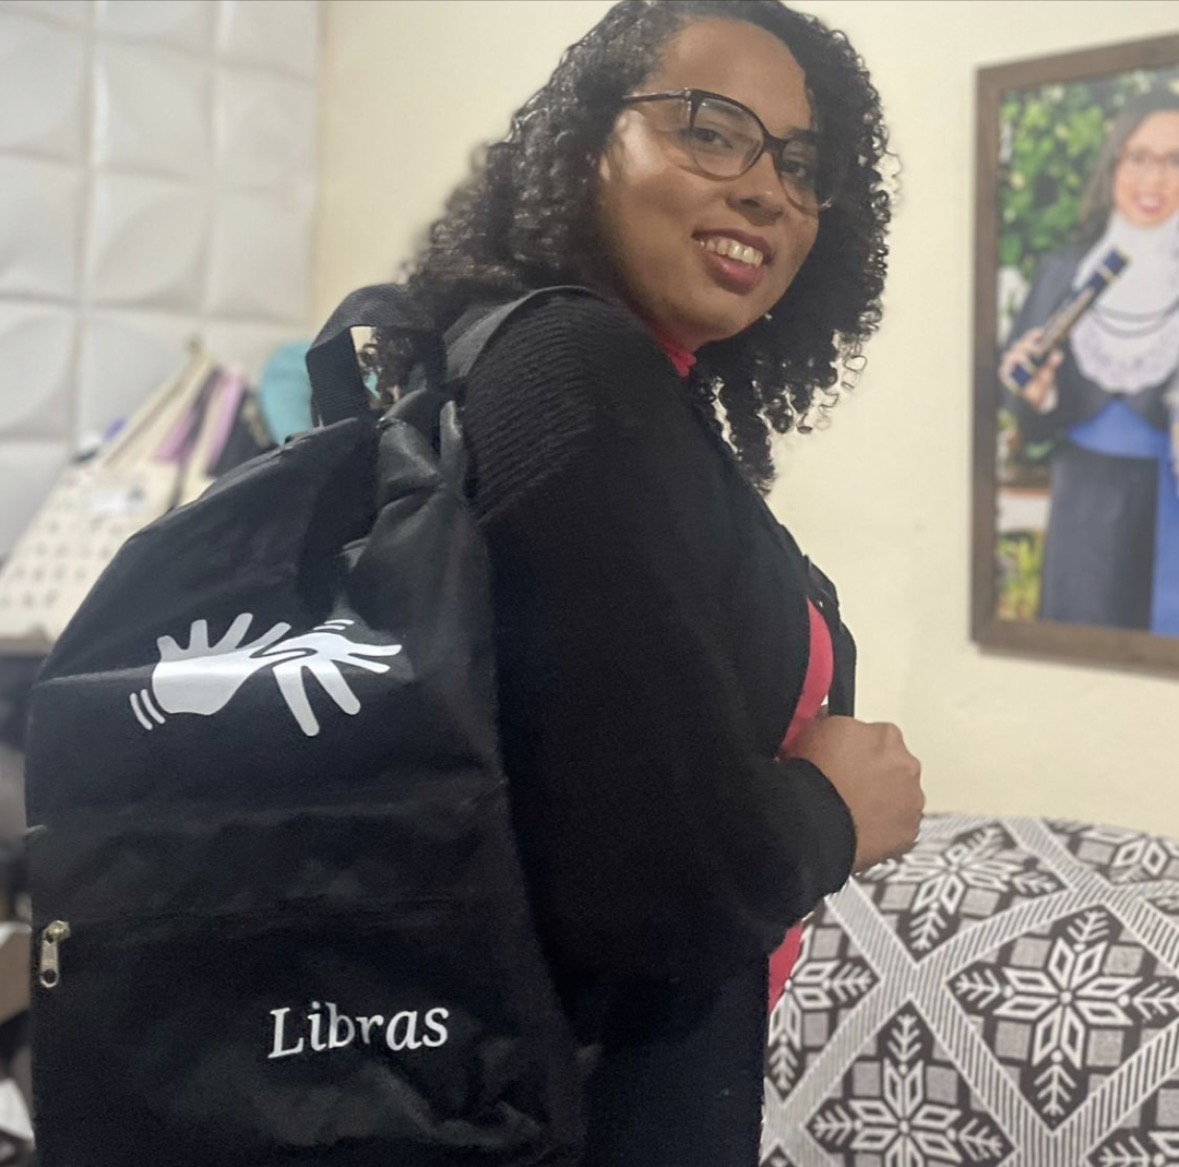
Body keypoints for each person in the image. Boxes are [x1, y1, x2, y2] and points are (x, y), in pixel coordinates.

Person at [360, 2, 924, 1163]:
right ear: (586, 146)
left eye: (801, 163)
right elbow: (657, 886)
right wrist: (835, 810)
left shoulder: (525, 366)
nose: (766, 190)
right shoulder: (575, 372)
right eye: (710, 131)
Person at [1001, 91, 1179, 636]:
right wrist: (1038, 399)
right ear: (1114, 163)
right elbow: (1027, 421)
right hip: (1085, 509)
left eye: (1175, 160)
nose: (1155, 178)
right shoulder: (1064, 272)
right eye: (1139, 157)